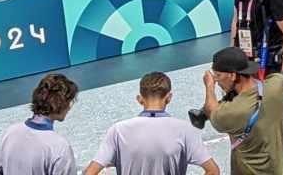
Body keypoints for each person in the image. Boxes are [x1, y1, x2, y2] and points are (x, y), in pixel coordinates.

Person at [84, 72, 218, 175]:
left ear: (139, 99)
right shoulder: (185, 130)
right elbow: (213, 171)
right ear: (169, 98)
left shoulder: (118, 130)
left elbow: (90, 172)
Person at [200, 48, 283, 175]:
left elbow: (211, 110)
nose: (216, 81)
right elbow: (276, 77)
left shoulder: (231, 112)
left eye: (218, 76)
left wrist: (209, 86)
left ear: (232, 75)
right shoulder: (277, 85)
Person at [0, 72, 79, 175]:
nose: (70, 107)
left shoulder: (11, 132)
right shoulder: (60, 147)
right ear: (59, 103)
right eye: (69, 101)